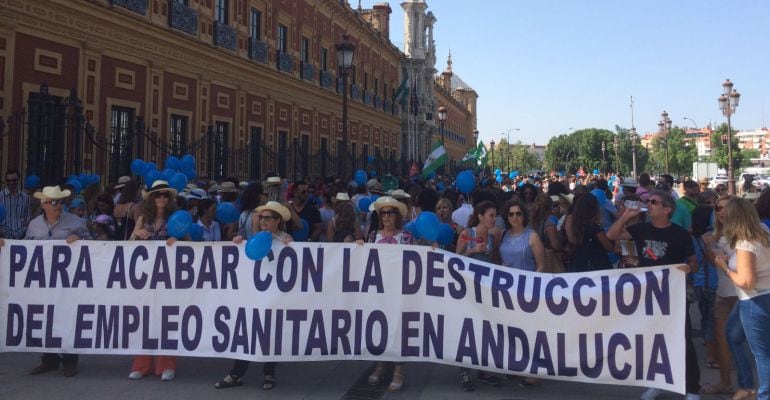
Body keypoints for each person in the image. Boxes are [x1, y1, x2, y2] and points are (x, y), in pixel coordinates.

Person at [607, 190, 701, 400]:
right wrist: (625, 216)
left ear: (667, 209)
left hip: (674, 296)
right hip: (648, 296)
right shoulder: (640, 230)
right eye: (648, 201)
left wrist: (689, 268)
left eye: (654, 202)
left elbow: (694, 261)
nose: (649, 205)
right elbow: (612, 236)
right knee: (651, 341)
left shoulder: (680, 234)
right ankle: (656, 382)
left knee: (682, 340)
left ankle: (692, 387)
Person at [216, 201, 292, 391]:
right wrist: (237, 243)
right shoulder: (253, 238)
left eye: (268, 218)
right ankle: (237, 373)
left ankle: (269, 373)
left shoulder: (285, 238)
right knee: (246, 331)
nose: (264, 221)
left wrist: (291, 246)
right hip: (253, 295)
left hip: (276, 294)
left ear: (278, 221)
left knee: (271, 334)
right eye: (262, 218)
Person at [16, 185, 91, 377]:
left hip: (68, 281)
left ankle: (69, 360)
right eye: (54, 202)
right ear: (44, 204)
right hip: (42, 282)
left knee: (67, 317)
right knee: (46, 317)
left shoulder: (76, 221)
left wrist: (80, 240)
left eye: (61, 202)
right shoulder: (34, 225)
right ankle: (49, 359)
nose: (59, 206)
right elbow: (24, 250)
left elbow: (93, 246)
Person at [713, 197, 770, 400]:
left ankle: (763, 394)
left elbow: (746, 282)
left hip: (754, 300)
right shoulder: (762, 231)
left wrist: (725, 268)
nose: (721, 216)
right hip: (759, 297)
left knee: (762, 354)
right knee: (733, 334)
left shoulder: (746, 243)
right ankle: (747, 386)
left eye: (725, 213)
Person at [359, 196, 413, 392]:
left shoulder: (405, 237)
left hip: (398, 289)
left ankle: (398, 370)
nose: (387, 216)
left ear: (397, 216)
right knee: (379, 327)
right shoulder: (373, 236)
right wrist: (358, 248)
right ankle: (381, 364)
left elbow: (413, 261)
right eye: (383, 213)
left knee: (398, 327)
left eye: (391, 212)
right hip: (378, 290)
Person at [127, 181, 178, 381]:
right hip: (145, 277)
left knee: (167, 320)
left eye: (165, 195)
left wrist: (178, 241)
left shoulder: (175, 218)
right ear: (151, 198)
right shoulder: (142, 218)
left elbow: (192, 245)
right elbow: (128, 245)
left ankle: (167, 365)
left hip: (169, 278)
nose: (162, 198)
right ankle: (142, 365)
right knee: (144, 320)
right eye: (158, 195)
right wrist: (136, 235)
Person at [565, 193, 614, 272]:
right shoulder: (595, 227)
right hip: (597, 265)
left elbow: (572, 240)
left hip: (580, 263)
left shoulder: (574, 224)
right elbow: (609, 247)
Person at [496, 200, 545, 272]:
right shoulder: (502, 234)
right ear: (507, 217)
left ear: (524, 215)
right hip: (506, 280)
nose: (515, 217)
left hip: (526, 281)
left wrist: (531, 282)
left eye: (518, 214)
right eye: (511, 214)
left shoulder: (533, 236)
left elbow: (541, 265)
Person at [0, 169, 31, 239]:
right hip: (3, 237)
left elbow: (27, 218)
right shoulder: (0, 197)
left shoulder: (25, 198)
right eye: (8, 180)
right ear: (6, 181)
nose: (11, 182)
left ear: (18, 180)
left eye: (14, 180)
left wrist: (22, 231)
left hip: (21, 236)